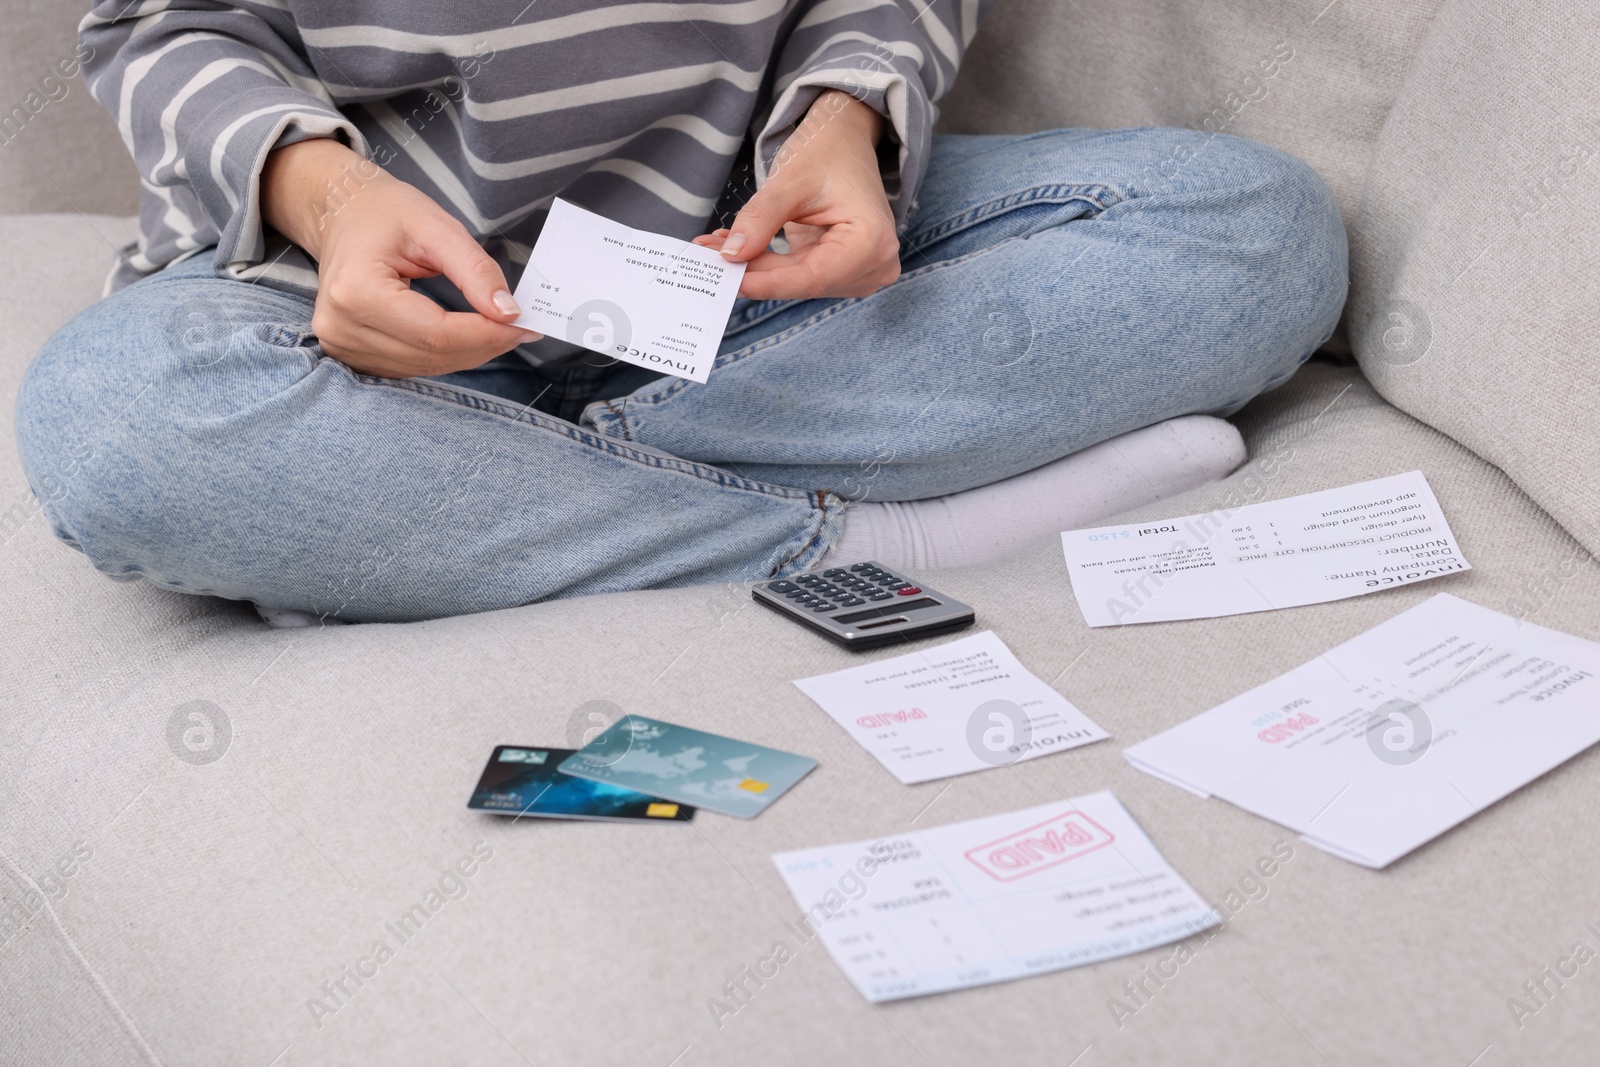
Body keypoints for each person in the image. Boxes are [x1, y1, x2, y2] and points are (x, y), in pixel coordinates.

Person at [15, 1, 1347, 624]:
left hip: (743, 283)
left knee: (1253, 230)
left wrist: (849, 114)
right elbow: (162, 28)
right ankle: (877, 533)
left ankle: (437, 520)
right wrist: (322, 197)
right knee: (122, 427)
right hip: (360, 314)